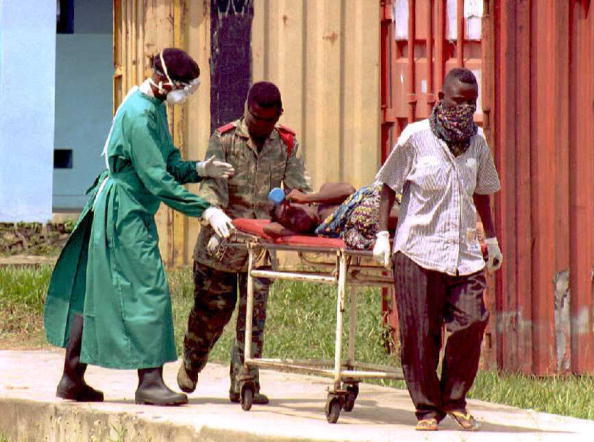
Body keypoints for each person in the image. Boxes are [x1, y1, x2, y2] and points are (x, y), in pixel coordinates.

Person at [44, 48, 234, 406]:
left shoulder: (152, 107)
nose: (184, 95)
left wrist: (199, 169)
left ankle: (71, 378)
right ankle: (149, 381)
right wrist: (205, 210)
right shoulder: (138, 114)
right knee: (150, 288)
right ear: (164, 80)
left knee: (94, 290)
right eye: (183, 88)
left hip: (126, 206)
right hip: (124, 210)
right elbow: (156, 179)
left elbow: (168, 162)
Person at [372, 67, 503, 431]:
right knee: (420, 332)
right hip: (417, 249)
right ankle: (427, 408)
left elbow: (482, 192)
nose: (465, 109)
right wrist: (383, 235)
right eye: (458, 101)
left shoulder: (478, 142)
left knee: (473, 320)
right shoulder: (415, 137)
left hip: (462, 252)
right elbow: (387, 186)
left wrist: (490, 238)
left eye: (472, 103)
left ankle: (455, 398)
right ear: (440, 98)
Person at [178, 81, 312, 404]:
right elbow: (212, 187)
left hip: (261, 246)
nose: (261, 126)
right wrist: (212, 212)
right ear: (246, 110)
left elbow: (298, 190)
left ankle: (245, 379)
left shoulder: (287, 144)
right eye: (255, 118)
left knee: (254, 316)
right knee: (212, 313)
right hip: (223, 242)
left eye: (268, 120)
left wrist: (295, 213)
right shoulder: (223, 139)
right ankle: (192, 363)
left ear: (278, 115)